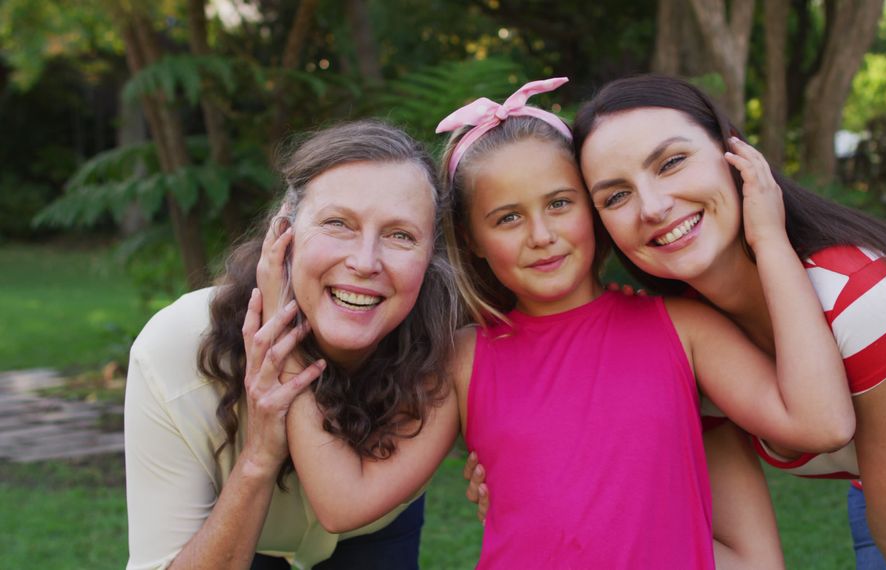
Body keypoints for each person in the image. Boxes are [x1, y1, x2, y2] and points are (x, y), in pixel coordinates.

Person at [290, 77, 854, 569]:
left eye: (560, 203)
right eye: (507, 218)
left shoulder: (683, 329)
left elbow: (821, 423)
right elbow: (344, 503)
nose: (541, 235)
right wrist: (285, 336)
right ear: (472, 241)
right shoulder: (464, 357)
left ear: (593, 205)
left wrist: (770, 239)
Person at [566, 74, 886, 568]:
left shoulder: (860, 295)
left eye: (672, 162)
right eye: (615, 196)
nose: (652, 207)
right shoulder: (691, 344)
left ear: (737, 157)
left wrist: (769, 240)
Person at [123, 120, 461, 570]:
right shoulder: (176, 349)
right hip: (243, 531)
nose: (364, 262)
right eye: (338, 223)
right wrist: (259, 459)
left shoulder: (450, 350)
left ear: (432, 255)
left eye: (401, 235)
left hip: (374, 523)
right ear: (284, 233)